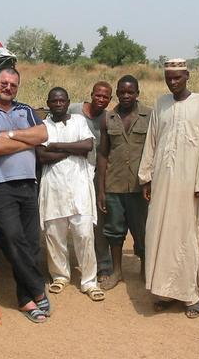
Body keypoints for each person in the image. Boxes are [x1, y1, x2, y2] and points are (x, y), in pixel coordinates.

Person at [0, 68, 51, 323]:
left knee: (30, 243)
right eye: (4, 83)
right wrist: (28, 141)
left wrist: (12, 135)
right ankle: (38, 287)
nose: (8, 87)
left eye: (13, 84)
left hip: (28, 183)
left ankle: (25, 299)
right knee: (13, 239)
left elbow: (44, 134)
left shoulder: (26, 110)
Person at [138, 58, 199, 319]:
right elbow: (152, 140)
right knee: (159, 234)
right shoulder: (161, 103)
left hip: (189, 182)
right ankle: (164, 292)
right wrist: (146, 177)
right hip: (162, 178)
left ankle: (190, 294)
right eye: (169, 78)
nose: (173, 82)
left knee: (186, 236)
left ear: (187, 76)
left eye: (177, 77)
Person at [37, 87, 105, 302]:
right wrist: (70, 150)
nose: (58, 104)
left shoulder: (78, 121)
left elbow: (87, 145)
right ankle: (60, 275)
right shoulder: (43, 126)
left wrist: (56, 146)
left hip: (79, 186)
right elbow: (41, 156)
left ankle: (89, 281)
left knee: (84, 233)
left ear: (68, 102)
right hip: (54, 186)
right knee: (54, 235)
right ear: (48, 103)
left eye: (62, 101)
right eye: (54, 101)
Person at [96, 75, 151, 291]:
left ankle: (146, 268)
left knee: (143, 230)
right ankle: (117, 271)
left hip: (141, 187)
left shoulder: (150, 116)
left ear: (138, 93)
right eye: (122, 92)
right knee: (114, 231)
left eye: (130, 92)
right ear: (116, 93)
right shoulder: (108, 119)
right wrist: (101, 189)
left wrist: (152, 182)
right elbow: (102, 154)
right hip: (114, 185)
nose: (126, 95)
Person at [68, 81, 114, 282]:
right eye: (98, 95)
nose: (101, 100)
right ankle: (62, 265)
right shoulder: (74, 110)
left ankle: (103, 264)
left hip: (93, 173)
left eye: (106, 97)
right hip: (69, 170)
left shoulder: (108, 118)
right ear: (92, 94)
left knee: (97, 219)